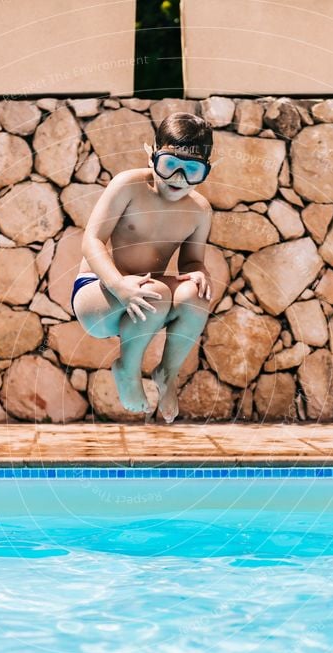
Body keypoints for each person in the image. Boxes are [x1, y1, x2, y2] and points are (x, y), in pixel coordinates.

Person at [71, 112, 218, 423]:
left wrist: (200, 272)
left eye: (191, 170)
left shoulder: (199, 211)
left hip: (151, 296)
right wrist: (119, 285)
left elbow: (192, 262)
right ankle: (128, 369)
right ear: (151, 156)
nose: (179, 178)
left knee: (197, 294)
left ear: (207, 171)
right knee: (157, 291)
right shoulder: (129, 186)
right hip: (99, 297)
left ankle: (167, 372)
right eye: (170, 165)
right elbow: (92, 241)